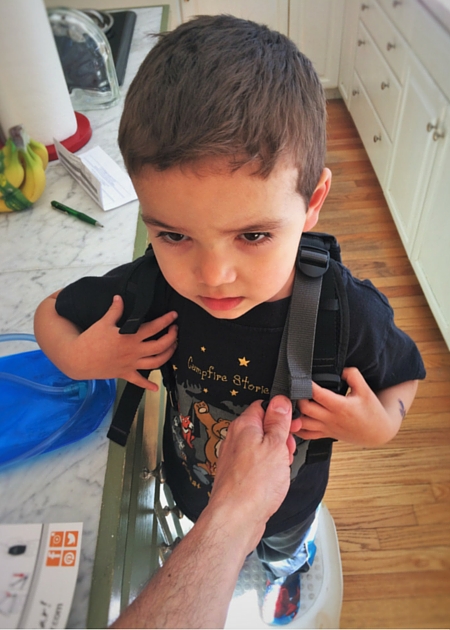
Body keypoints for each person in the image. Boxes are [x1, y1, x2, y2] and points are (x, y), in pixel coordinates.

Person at [34, 14, 426, 626]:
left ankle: (284, 567)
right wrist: (82, 357)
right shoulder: (151, 285)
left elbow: (405, 375)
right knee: (205, 537)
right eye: (174, 234)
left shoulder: (345, 311)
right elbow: (49, 314)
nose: (213, 275)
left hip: (290, 504)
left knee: (278, 551)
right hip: (188, 482)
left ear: (312, 203)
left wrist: (378, 426)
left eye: (253, 235)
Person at [111, 395, 296, 629]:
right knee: (232, 553)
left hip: (293, 495)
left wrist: (347, 425)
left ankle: (281, 572)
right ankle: (228, 564)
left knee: (283, 549)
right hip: (197, 484)